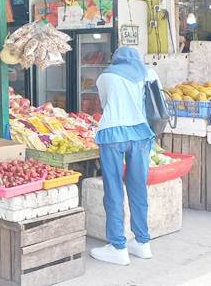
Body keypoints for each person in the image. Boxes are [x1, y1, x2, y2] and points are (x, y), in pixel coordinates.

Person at [90, 46, 160, 266]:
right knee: (138, 187)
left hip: (112, 134)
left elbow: (105, 104)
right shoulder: (149, 73)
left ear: (115, 58)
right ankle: (142, 242)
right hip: (141, 134)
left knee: (113, 189)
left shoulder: (106, 76)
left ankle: (118, 246)